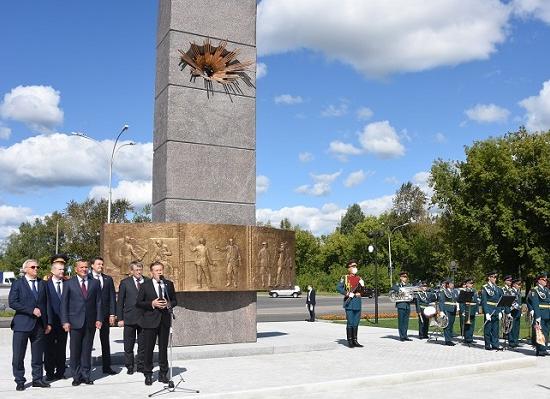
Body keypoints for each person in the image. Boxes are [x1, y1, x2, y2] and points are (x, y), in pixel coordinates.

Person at [9, 259, 51, 391]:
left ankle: (37, 379)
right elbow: (13, 302)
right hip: (22, 325)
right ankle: (20, 380)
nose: (36, 269)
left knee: (38, 355)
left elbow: (47, 304)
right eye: (33, 267)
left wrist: (48, 323)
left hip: (39, 326)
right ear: (25, 269)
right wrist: (30, 310)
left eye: (37, 267)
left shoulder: (43, 284)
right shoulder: (17, 284)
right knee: (18, 356)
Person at [61, 259, 102, 386]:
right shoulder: (69, 283)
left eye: (86, 267)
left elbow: (98, 303)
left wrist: (99, 319)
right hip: (74, 322)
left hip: (90, 322)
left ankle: (86, 375)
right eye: (81, 267)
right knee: (75, 350)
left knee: (87, 350)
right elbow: (64, 304)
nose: (84, 269)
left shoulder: (94, 283)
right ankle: (76, 376)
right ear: (76, 269)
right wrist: (65, 321)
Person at [136, 261, 177, 385]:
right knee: (149, 348)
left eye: (161, 270)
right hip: (150, 321)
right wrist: (152, 304)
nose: (159, 272)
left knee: (163, 348)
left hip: (164, 320)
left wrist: (169, 304)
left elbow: (175, 300)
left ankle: (163, 374)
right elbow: (138, 303)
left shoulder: (168, 284)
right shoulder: (145, 285)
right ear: (152, 272)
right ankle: (148, 374)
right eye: (156, 270)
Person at [89, 257, 118, 375]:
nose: (100, 266)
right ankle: (86, 368)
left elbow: (112, 297)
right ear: (92, 265)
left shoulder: (107, 279)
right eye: (98, 264)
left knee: (105, 342)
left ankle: (107, 367)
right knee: (88, 342)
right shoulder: (87, 278)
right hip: (91, 315)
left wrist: (112, 313)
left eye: (102, 264)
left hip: (105, 315)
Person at [117, 261, 147, 374]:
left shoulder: (147, 281)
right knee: (128, 345)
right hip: (129, 317)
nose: (139, 272)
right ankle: (129, 366)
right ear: (131, 271)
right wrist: (120, 318)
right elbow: (120, 302)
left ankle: (141, 365)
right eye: (136, 270)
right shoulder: (125, 283)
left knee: (143, 344)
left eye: (140, 270)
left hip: (143, 318)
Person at [45, 254, 69, 380]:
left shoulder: (68, 283)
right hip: (50, 322)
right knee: (49, 348)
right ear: (52, 270)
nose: (62, 271)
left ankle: (60, 372)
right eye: (59, 269)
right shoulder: (45, 284)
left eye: (63, 269)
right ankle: (49, 373)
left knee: (61, 348)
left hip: (64, 323)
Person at [336, 260, 364, 348]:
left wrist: (362, 290)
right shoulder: (345, 278)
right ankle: (350, 341)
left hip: (357, 303)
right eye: (353, 266)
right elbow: (338, 288)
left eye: (355, 266)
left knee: (356, 323)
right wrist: (347, 293)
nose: (355, 268)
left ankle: (355, 340)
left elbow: (364, 291)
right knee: (350, 322)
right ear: (349, 268)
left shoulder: (359, 278)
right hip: (349, 303)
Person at [481, 271, 504, 351]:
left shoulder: (497, 288)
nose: (495, 279)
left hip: (496, 310)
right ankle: (487, 344)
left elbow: (499, 300)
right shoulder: (485, 287)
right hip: (489, 309)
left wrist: (500, 311)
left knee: (495, 329)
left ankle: (495, 344)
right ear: (489, 278)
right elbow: (484, 301)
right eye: (493, 277)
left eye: (495, 277)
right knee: (488, 328)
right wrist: (486, 312)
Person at [529, 273, 550, 356]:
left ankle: (544, 348)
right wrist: (537, 316)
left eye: (546, 280)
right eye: (544, 280)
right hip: (540, 313)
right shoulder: (535, 290)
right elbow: (535, 303)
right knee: (540, 331)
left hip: (547, 313)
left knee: (546, 331)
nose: (546, 281)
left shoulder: (547, 290)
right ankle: (540, 349)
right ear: (539, 280)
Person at [390, 271, 413, 341]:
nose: (405, 278)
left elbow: (411, 292)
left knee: (406, 321)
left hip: (407, 305)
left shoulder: (408, 285)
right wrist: (400, 290)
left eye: (406, 277)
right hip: (401, 305)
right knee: (401, 321)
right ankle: (401, 336)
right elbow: (393, 287)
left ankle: (405, 335)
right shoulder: (398, 285)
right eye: (404, 277)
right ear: (401, 278)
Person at [438, 279, 458, 346]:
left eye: (453, 283)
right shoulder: (443, 291)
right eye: (451, 283)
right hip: (447, 309)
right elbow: (441, 301)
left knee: (451, 325)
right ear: (447, 284)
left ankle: (450, 339)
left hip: (453, 309)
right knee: (447, 325)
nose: (452, 284)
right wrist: (441, 311)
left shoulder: (454, 291)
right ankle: (447, 340)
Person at [459, 278, 479, 344]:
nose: (472, 284)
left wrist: (477, 310)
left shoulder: (474, 291)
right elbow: (461, 302)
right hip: (467, 308)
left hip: (473, 309)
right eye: (470, 283)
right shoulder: (464, 291)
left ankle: (470, 338)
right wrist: (463, 310)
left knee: (472, 324)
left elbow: (476, 301)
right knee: (466, 324)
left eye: (472, 283)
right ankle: (466, 338)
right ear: (467, 284)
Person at [508, 278, 522, 348]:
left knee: (517, 327)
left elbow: (519, 301)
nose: (520, 286)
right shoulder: (510, 291)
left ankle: (516, 341)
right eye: (518, 284)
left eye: (520, 284)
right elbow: (511, 302)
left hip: (518, 311)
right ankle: (511, 341)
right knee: (512, 327)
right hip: (513, 311)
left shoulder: (518, 291)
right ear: (514, 284)